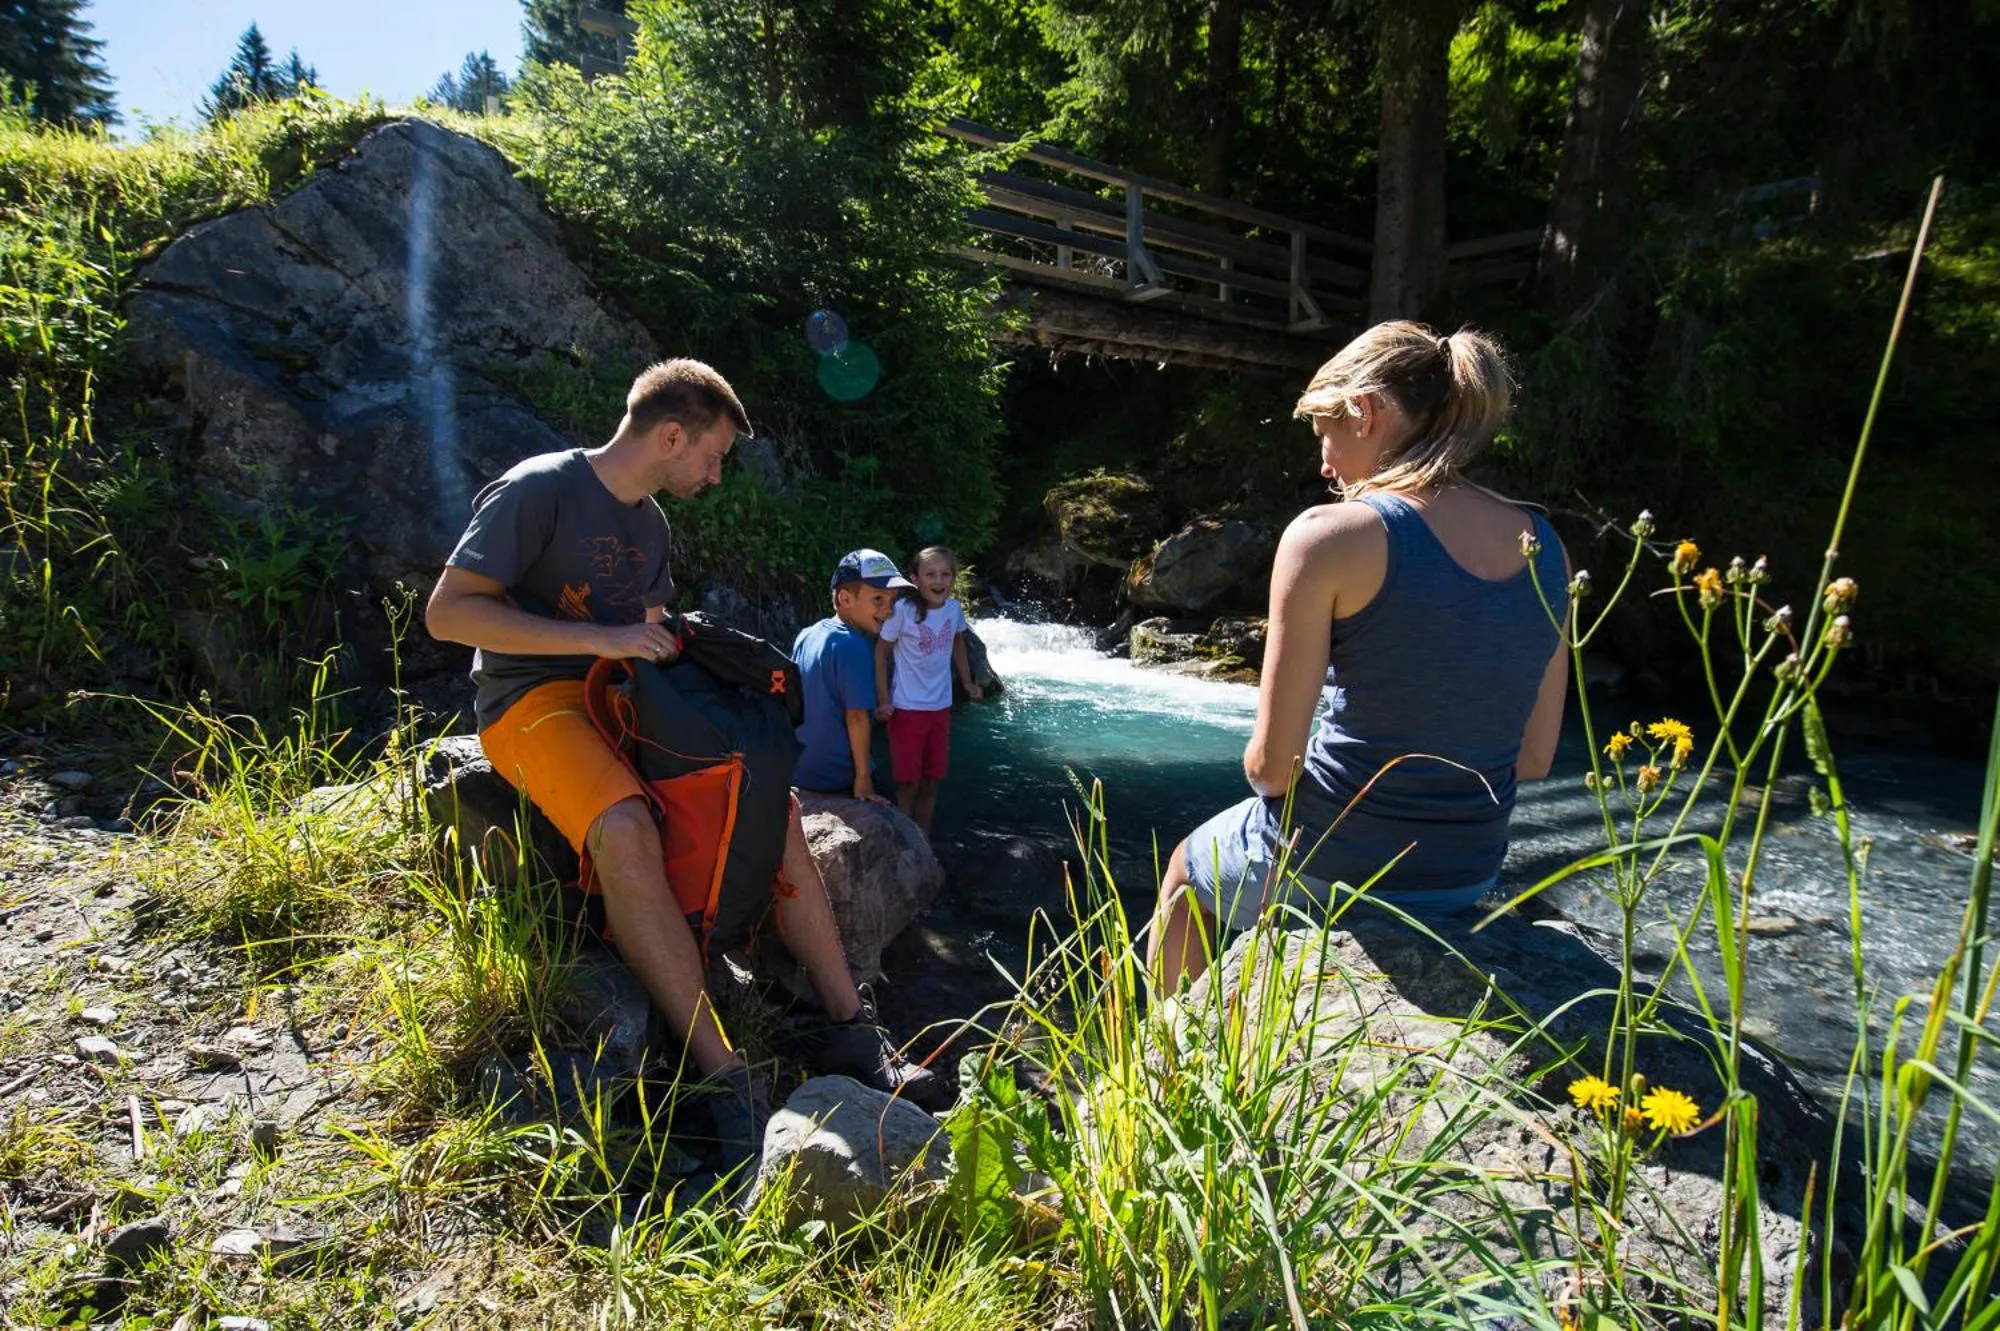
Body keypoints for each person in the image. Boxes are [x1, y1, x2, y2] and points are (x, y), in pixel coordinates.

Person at [424, 360, 949, 1185]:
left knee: (765, 802)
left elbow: (646, 625)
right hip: (529, 704)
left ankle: (850, 1027)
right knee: (626, 824)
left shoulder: (651, 529)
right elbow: (449, 612)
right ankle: (723, 1074)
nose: (714, 474)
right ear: (672, 435)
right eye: (712, 456)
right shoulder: (539, 487)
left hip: (626, 697)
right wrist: (602, 641)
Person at [1147, 322, 1570, 993]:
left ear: (1365, 413)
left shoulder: (1330, 537)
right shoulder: (1542, 543)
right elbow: (1535, 758)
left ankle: (1171, 1064)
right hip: (1470, 869)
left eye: (1325, 434)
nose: (1324, 462)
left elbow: (1270, 768)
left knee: (1185, 873)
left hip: (1336, 862)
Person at [873, 545, 983, 836]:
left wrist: (968, 681)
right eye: (930, 574)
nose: (938, 581)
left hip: (940, 708)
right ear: (915, 579)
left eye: (945, 574)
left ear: (953, 579)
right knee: (909, 782)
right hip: (907, 709)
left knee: (932, 779)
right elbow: (880, 651)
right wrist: (884, 699)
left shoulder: (954, 610)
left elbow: (958, 643)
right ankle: (904, 838)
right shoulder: (902, 612)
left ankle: (923, 838)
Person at [791, 549, 908, 801]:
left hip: (800, 773)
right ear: (845, 599)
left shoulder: (806, 635)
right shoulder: (853, 645)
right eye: (878, 599)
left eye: (892, 600)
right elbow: (856, 716)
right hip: (836, 777)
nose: (888, 610)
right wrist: (863, 779)